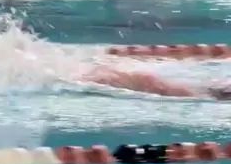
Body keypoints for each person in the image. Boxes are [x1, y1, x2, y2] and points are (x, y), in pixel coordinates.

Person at [84, 66, 231, 98]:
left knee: (152, 83)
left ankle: (107, 75)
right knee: (154, 85)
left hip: (214, 93)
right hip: (214, 94)